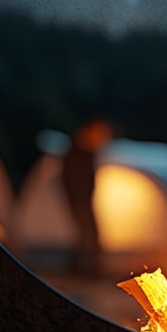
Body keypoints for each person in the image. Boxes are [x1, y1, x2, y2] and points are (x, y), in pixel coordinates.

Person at [61, 113, 112, 276]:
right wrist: (78, 197)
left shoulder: (87, 153)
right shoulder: (76, 153)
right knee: (87, 234)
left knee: (87, 234)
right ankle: (84, 270)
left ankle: (83, 269)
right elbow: (73, 179)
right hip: (79, 200)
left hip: (84, 199)